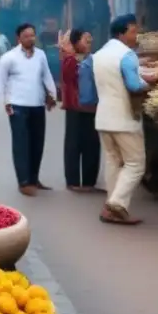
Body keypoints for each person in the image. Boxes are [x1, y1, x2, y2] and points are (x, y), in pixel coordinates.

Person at [92, 14, 158, 224]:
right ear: (121, 34)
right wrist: (150, 85)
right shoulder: (126, 55)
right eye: (133, 31)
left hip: (103, 116)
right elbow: (134, 85)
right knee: (135, 164)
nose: (136, 35)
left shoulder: (100, 54)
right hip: (124, 118)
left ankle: (111, 204)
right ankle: (117, 204)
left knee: (113, 161)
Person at [0, 23, 57, 196]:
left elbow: (46, 76)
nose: (30, 38)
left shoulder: (41, 55)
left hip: (37, 104)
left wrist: (52, 95)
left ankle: (34, 178)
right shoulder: (9, 57)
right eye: (26, 36)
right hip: (17, 105)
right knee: (21, 144)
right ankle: (23, 182)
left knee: (37, 143)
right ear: (19, 38)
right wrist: (4, 103)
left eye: (32, 35)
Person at [61, 28, 99, 192]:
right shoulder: (70, 61)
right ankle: (73, 181)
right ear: (76, 42)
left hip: (92, 108)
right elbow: (67, 77)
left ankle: (90, 182)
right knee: (73, 144)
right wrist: (68, 53)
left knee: (92, 144)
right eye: (85, 40)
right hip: (75, 107)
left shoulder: (95, 59)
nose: (89, 43)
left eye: (90, 40)